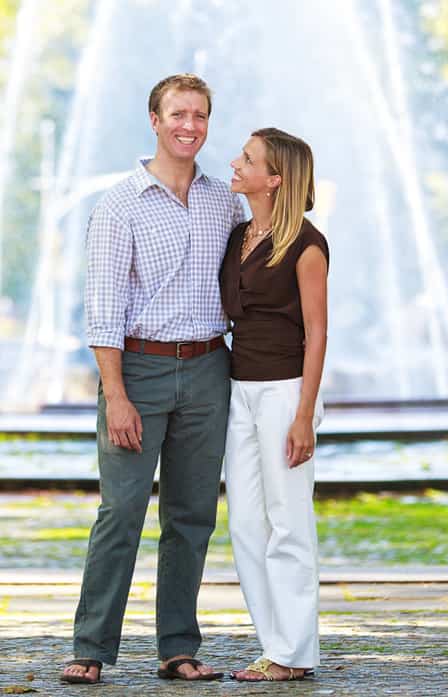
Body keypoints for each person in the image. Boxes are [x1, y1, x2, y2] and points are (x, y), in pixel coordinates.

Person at [61, 74, 244, 684]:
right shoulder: (119, 205)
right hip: (136, 370)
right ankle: (90, 648)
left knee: (192, 517)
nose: (188, 125)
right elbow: (103, 311)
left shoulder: (226, 201)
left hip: (209, 366)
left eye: (199, 115)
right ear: (154, 119)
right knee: (122, 511)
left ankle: (178, 648)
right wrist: (116, 395)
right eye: (177, 114)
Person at [220, 128, 329, 682]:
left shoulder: (306, 245)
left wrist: (304, 415)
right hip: (239, 389)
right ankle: (274, 644)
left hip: (286, 391)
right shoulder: (239, 232)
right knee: (244, 523)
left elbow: (317, 333)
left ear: (275, 178)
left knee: (288, 522)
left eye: (247, 158)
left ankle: (293, 653)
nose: (234, 163)